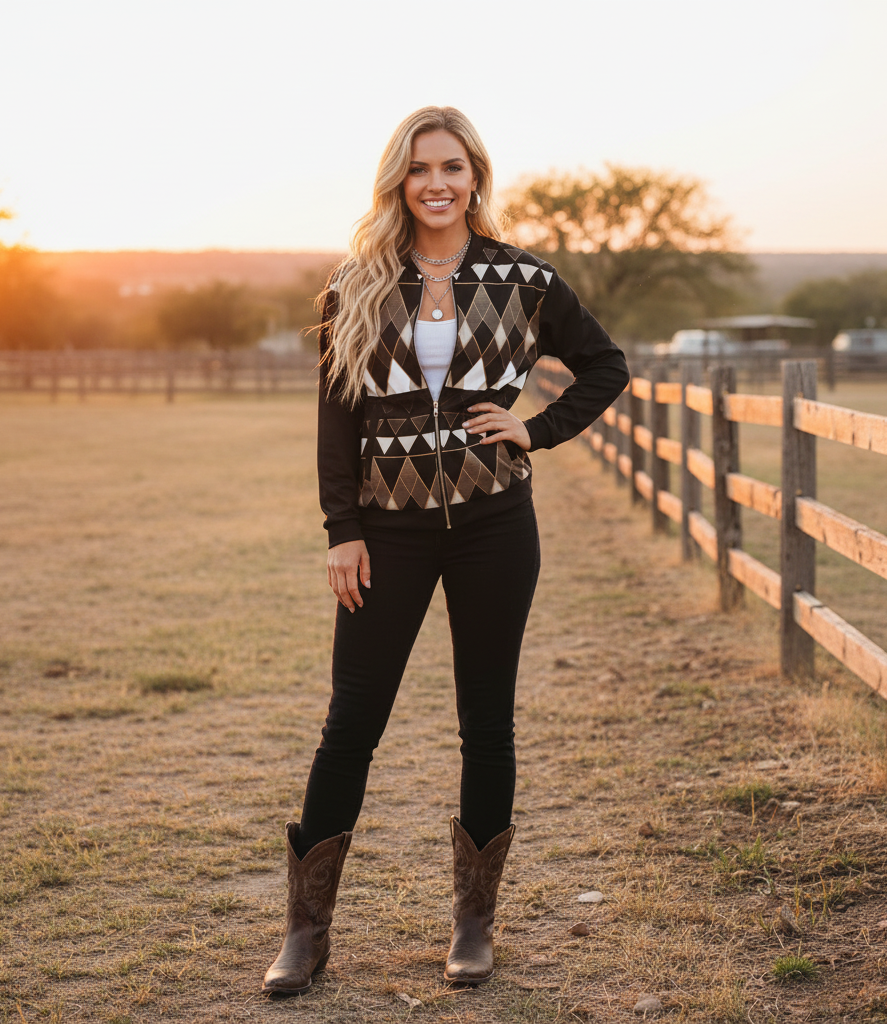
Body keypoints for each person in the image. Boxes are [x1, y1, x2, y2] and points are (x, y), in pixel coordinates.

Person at [262, 106, 630, 996]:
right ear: (400, 180)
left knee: (487, 724)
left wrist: (535, 429)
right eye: (420, 168)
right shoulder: (355, 284)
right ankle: (305, 934)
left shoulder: (524, 279)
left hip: (494, 525)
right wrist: (342, 529)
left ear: (475, 178)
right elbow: (336, 420)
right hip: (385, 530)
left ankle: (473, 925)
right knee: (351, 724)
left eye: (452, 168)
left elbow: (606, 365)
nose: (436, 183)